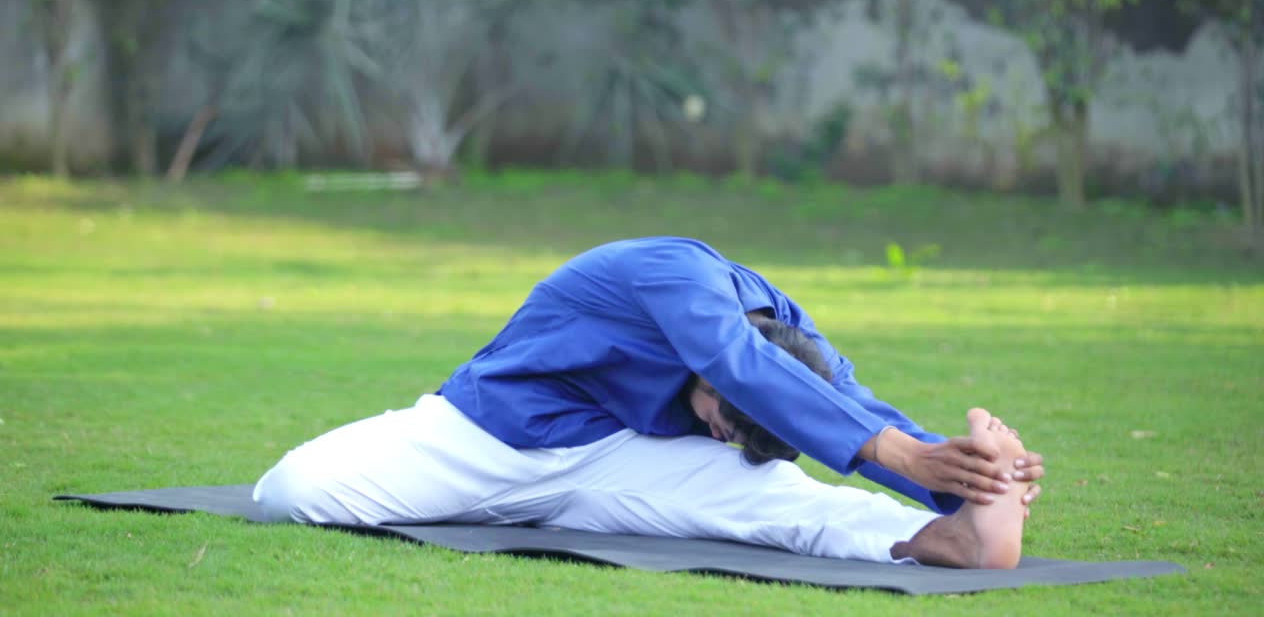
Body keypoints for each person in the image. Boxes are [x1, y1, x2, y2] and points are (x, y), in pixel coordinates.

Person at [254, 237, 1045, 567]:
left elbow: (851, 404)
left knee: (778, 498)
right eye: (718, 419)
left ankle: (950, 540)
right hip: (487, 438)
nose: (713, 431)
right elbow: (726, 359)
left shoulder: (791, 332)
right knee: (291, 492)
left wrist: (960, 476)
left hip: (612, 463)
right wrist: (897, 452)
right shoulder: (681, 275)